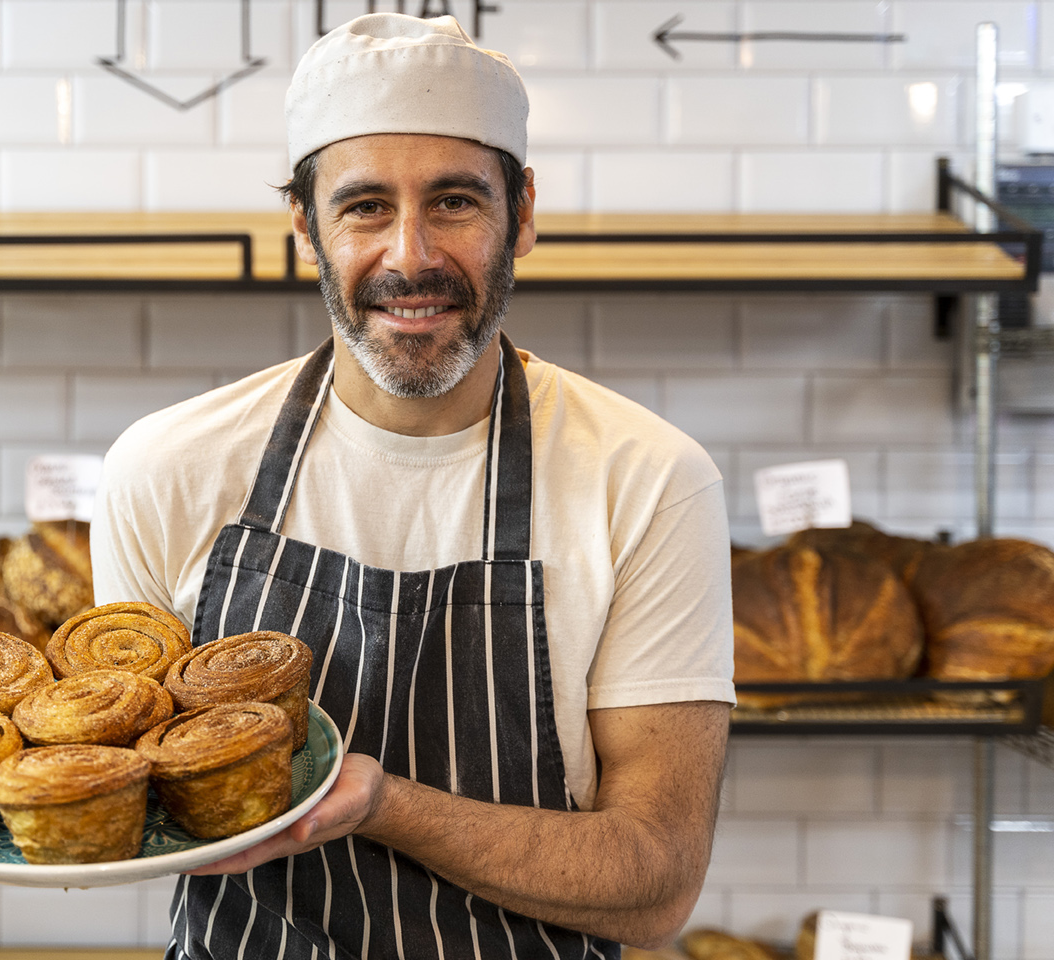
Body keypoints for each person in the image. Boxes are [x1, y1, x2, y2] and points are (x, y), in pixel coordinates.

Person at [92, 12, 735, 959]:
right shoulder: (167, 470)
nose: (409, 258)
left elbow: (655, 881)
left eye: (454, 203)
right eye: (364, 208)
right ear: (306, 227)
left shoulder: (646, 481)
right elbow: (136, 799)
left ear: (521, 212)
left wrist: (384, 807)